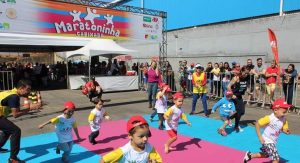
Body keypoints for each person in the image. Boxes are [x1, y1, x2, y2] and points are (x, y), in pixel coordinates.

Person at [0, 79, 40, 163]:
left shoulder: (11, 93)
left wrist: (28, 106)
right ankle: (13, 159)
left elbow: (15, 108)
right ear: (21, 88)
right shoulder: (14, 96)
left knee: (7, 130)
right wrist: (30, 108)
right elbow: (16, 114)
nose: (29, 92)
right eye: (28, 89)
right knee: (15, 131)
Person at [243, 98, 291, 163]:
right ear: (276, 110)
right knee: (276, 159)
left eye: (286, 112)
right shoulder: (269, 118)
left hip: (273, 141)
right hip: (267, 140)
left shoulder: (284, 119)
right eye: (284, 112)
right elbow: (257, 124)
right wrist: (260, 137)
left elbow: (284, 129)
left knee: (266, 155)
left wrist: (286, 131)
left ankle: (250, 155)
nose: (285, 114)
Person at [227, 67, 249, 132]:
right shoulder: (236, 78)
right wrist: (232, 95)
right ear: (241, 71)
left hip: (239, 96)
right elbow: (228, 86)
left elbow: (244, 87)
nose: (246, 75)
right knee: (239, 111)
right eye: (245, 73)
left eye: (247, 73)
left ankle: (230, 118)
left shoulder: (245, 79)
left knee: (242, 112)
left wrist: (249, 92)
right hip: (234, 96)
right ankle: (235, 125)